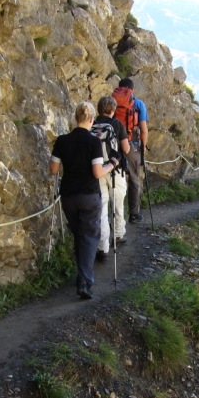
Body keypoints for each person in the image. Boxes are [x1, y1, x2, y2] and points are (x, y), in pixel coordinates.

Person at [50, 102, 119, 299]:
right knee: (89, 237)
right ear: (91, 119)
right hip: (89, 196)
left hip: (68, 196)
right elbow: (97, 173)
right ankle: (84, 282)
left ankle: (82, 274)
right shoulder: (93, 142)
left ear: (75, 117)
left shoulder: (62, 141)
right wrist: (112, 164)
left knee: (80, 235)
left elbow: (53, 169)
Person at [93, 95, 131, 259]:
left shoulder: (92, 124)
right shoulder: (117, 124)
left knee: (101, 208)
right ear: (113, 109)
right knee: (118, 203)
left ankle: (103, 247)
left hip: (97, 169)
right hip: (115, 169)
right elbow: (126, 149)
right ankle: (118, 234)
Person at [112, 78, 149, 222]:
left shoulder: (112, 101)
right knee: (134, 179)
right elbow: (143, 129)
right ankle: (134, 214)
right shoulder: (138, 103)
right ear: (132, 89)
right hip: (131, 144)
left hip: (113, 144)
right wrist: (143, 147)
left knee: (113, 178)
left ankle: (113, 214)